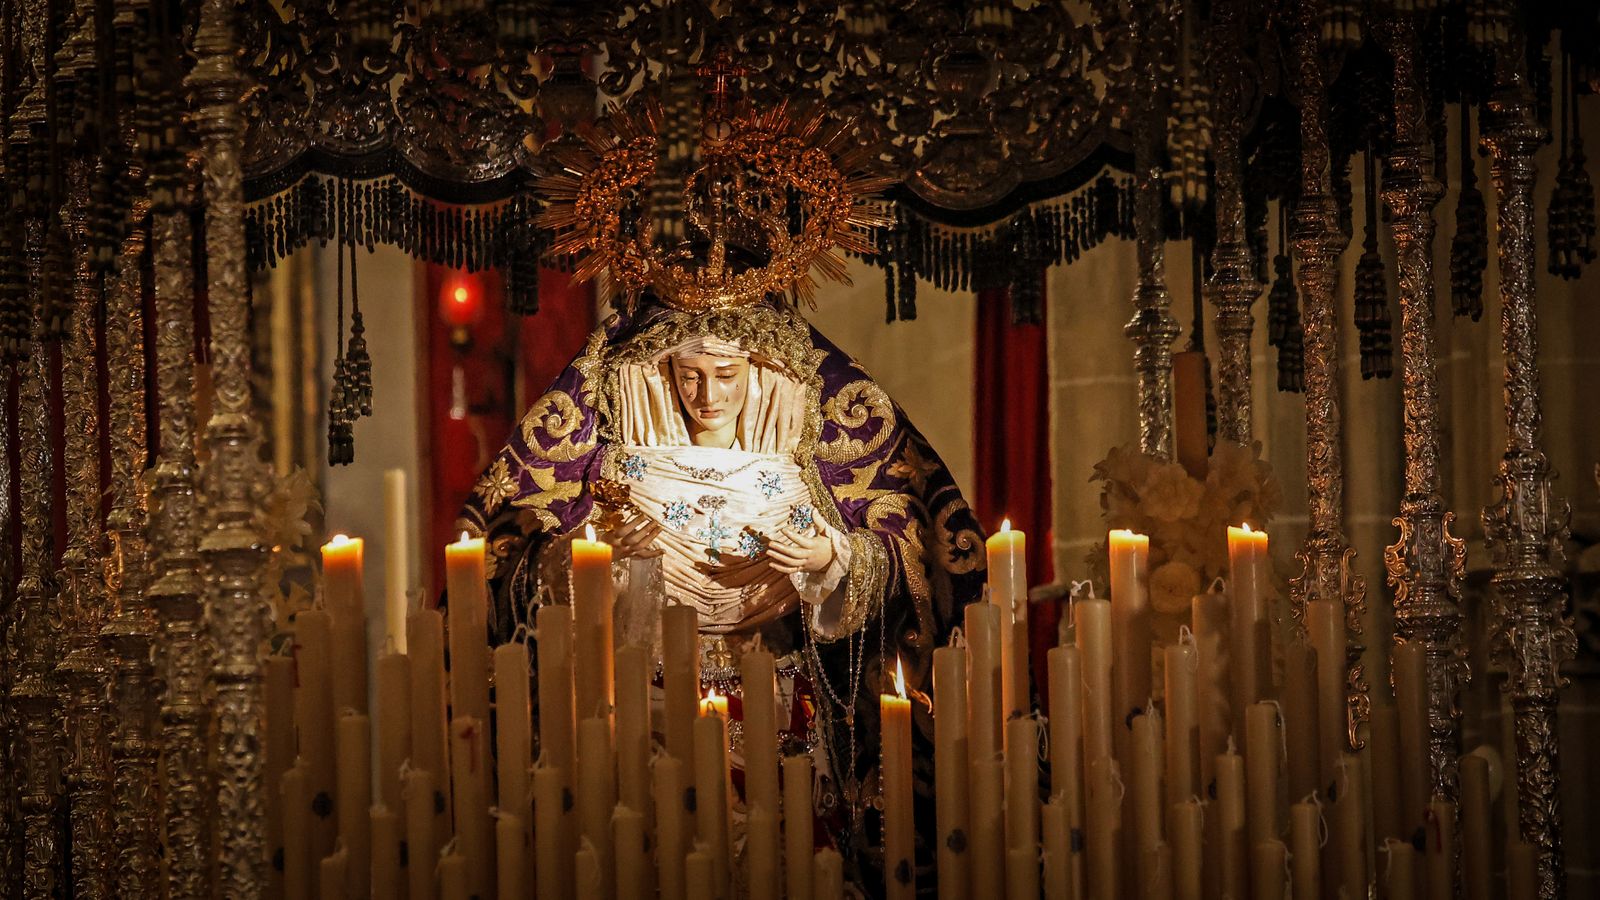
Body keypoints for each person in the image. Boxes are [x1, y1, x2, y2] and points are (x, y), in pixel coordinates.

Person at [456, 91, 987, 881]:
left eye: (728, 376)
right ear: (662, 371)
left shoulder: (809, 436)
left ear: (760, 373)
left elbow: (908, 555)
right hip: (645, 708)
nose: (708, 396)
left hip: (779, 701)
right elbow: (510, 551)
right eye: (689, 375)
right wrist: (588, 559)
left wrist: (829, 562)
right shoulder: (614, 437)